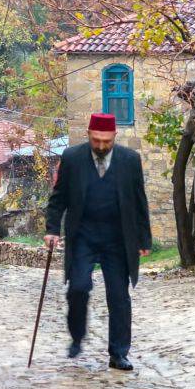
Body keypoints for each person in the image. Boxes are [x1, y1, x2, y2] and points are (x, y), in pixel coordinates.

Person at [44, 113, 152, 371]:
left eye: (106, 141)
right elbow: (58, 198)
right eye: (96, 140)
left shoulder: (130, 160)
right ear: (89, 135)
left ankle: (119, 353)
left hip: (117, 239)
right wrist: (52, 230)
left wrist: (143, 238)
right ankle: (77, 336)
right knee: (78, 288)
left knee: (119, 297)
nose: (101, 146)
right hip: (83, 236)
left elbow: (139, 201)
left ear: (114, 136)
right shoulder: (72, 158)